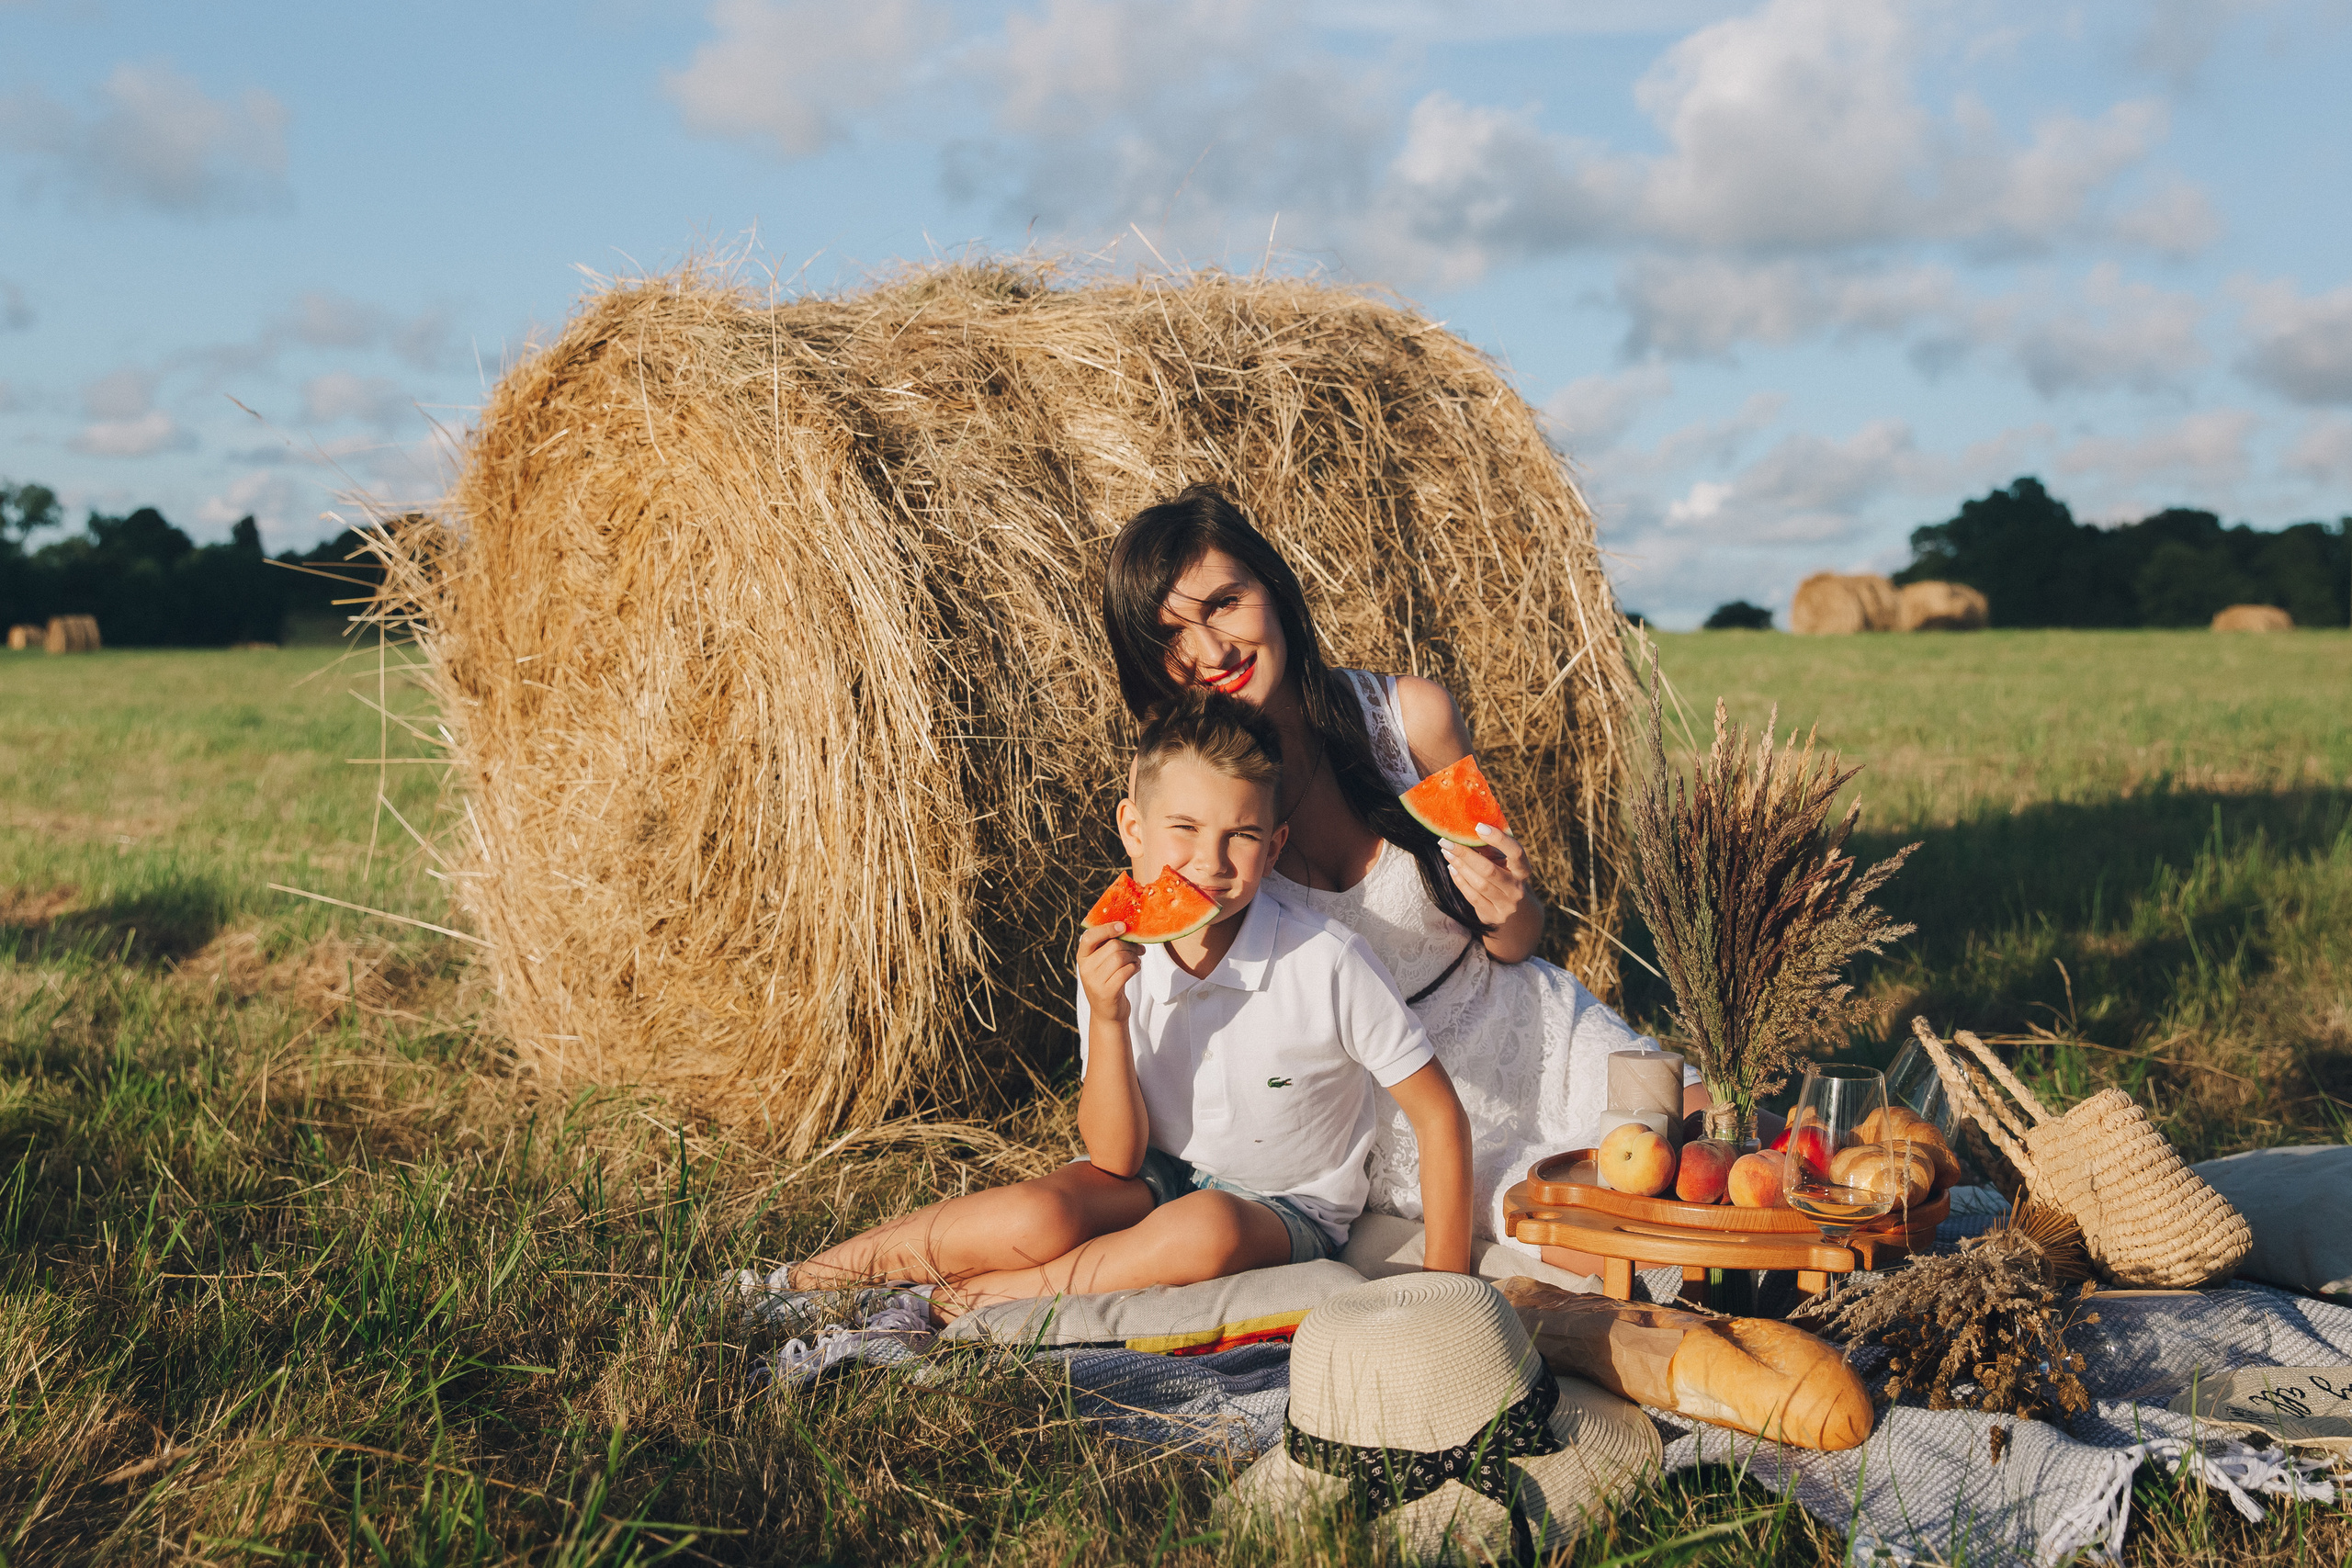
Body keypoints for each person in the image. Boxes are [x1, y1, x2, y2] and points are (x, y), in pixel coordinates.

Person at [1101, 484, 1709, 1271]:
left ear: (1273, 589)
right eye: (1172, 633)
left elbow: (1519, 943)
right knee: (1618, 1235)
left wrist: (1510, 905)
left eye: (1225, 602)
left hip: (1530, 1029)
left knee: (1724, 1141)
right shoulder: (1182, 798)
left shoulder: (1409, 718)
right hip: (1401, 1102)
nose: (1211, 650)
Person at [792, 694, 1475, 1320]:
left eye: (1240, 835)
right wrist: (1109, 1017)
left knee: (1207, 1227)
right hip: (1153, 1172)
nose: (1210, 860)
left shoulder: (1328, 961)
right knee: (1034, 1215)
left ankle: (991, 1297)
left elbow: (1439, 1115)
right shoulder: (1115, 952)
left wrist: (1446, 1289)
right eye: (1184, 826)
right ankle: (802, 1280)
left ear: (1274, 849)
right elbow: (1115, 1156)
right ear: (1133, 826)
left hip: (1285, 1207)